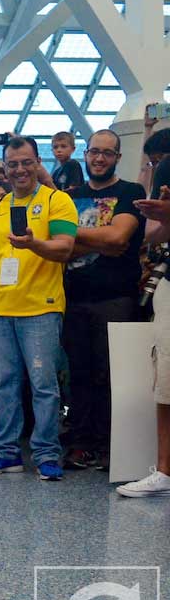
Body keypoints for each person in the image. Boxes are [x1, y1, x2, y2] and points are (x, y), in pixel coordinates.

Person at [0, 136, 78, 481]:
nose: (19, 169)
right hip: (2, 311)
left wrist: (34, 244)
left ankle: (47, 454)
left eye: (26, 162)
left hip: (41, 308)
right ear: (5, 168)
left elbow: (65, 248)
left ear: (38, 163)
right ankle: (6, 452)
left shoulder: (57, 201)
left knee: (43, 385)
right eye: (13, 164)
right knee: (4, 383)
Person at [61, 130, 146, 469]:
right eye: (94, 151)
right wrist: (102, 240)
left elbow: (119, 236)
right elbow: (63, 247)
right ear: (85, 154)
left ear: (117, 158)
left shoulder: (130, 192)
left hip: (116, 298)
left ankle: (112, 445)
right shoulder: (70, 197)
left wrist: (73, 234)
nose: (99, 158)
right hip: (74, 298)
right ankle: (81, 443)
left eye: (107, 153)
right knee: (78, 374)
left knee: (111, 375)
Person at [117, 181, 170, 496]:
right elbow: (154, 235)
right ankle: (165, 472)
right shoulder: (166, 169)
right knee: (166, 379)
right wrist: (164, 216)